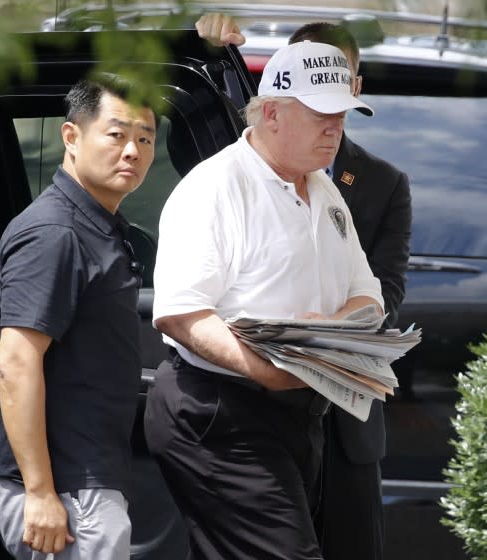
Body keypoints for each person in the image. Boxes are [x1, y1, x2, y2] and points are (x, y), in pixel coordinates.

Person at [144, 40, 384, 560]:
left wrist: (330, 332)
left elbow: (369, 295)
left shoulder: (325, 189)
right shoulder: (214, 187)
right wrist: (263, 367)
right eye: (322, 115)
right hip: (220, 413)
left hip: (300, 410)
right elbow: (181, 314)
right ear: (271, 112)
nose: (335, 128)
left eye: (342, 115)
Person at [196, 14, 412, 560]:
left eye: (341, 83)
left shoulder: (382, 182)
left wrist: (324, 333)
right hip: (259, 415)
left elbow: (385, 290)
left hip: (346, 424)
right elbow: (202, 132)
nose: (330, 110)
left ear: (355, 88)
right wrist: (204, 48)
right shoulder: (240, 164)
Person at [0, 74, 156, 559]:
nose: (132, 151)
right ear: (71, 136)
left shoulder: (89, 222)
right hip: (65, 488)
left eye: (145, 138)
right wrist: (39, 492)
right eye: (117, 134)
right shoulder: (55, 232)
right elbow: (17, 361)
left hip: (80, 478)